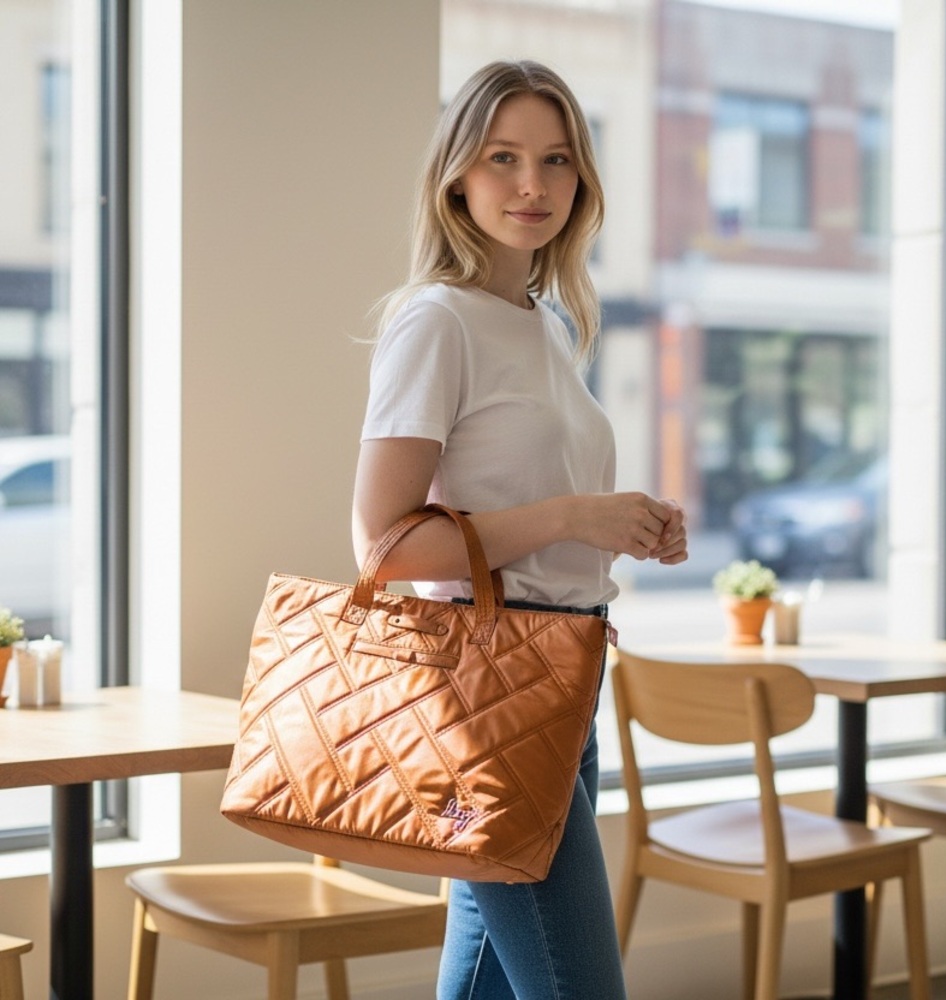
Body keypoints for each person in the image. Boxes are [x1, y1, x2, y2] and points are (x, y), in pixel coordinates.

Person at [353, 59, 688, 1000]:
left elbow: (529, 503)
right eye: (503, 157)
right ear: (457, 174)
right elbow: (382, 545)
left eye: (556, 159)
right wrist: (576, 515)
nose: (532, 184)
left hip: (568, 673)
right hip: (487, 691)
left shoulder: (545, 323)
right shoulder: (437, 321)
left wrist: (627, 525)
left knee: (488, 981)